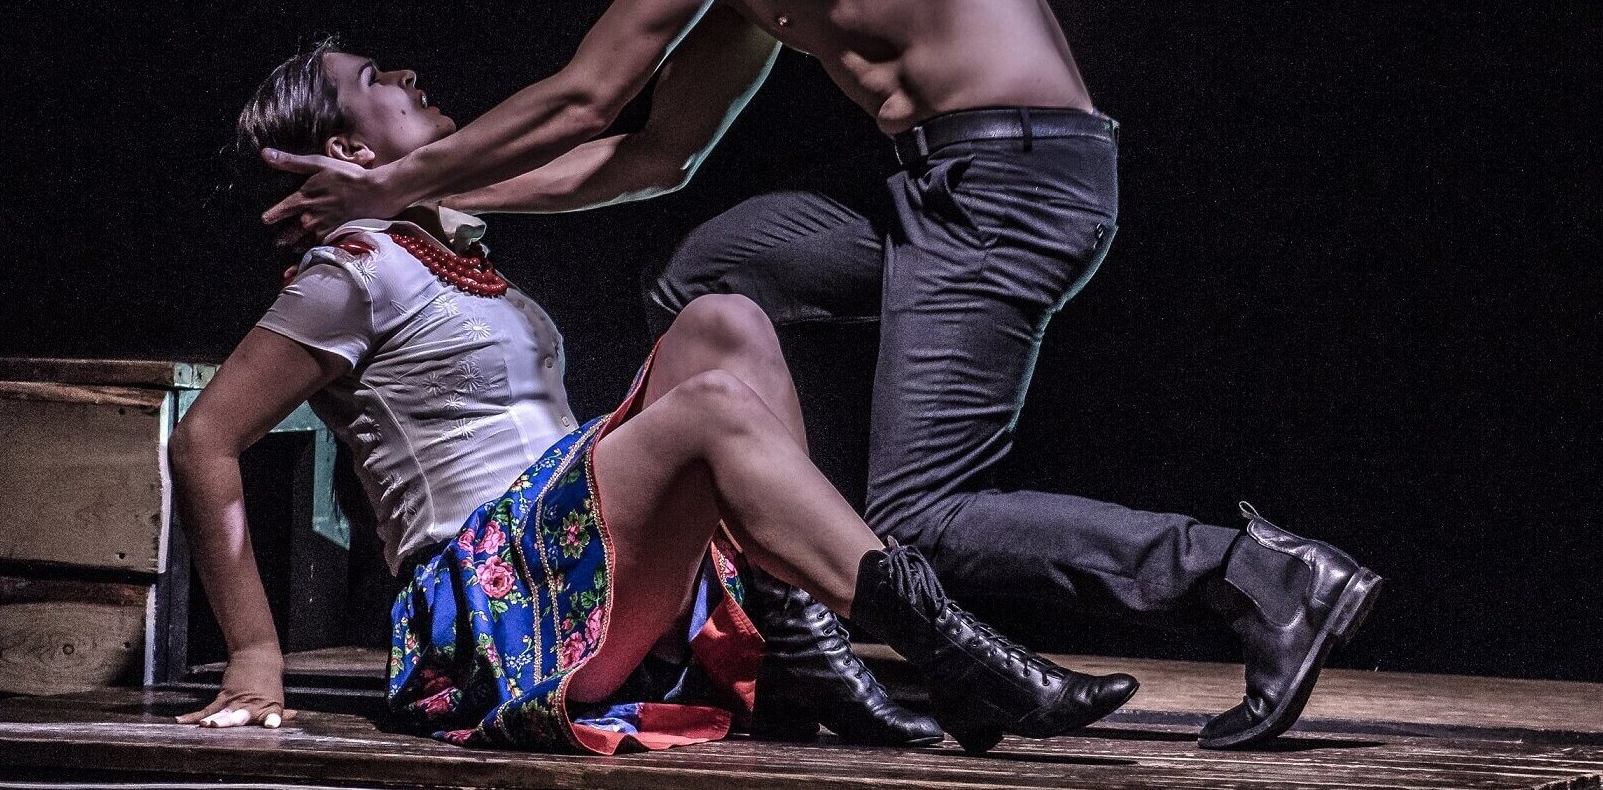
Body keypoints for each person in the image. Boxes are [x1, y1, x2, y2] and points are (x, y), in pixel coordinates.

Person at [256, 0, 1382, 749]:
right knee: (712, 281)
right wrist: (437, 192)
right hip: (948, 183)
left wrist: (393, 183)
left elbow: (590, 93)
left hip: (1011, 180)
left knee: (923, 517)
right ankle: (799, 624)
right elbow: (656, 151)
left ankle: (1254, 574)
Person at [171, 41, 1138, 755]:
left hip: (572, 568)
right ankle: (950, 651)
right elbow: (204, 439)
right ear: (347, 144)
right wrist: (254, 654)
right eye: (375, 78)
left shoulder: (445, 249)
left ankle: (805, 644)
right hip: (490, 614)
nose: (409, 74)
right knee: (712, 403)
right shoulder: (351, 267)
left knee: (725, 320)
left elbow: (642, 155)